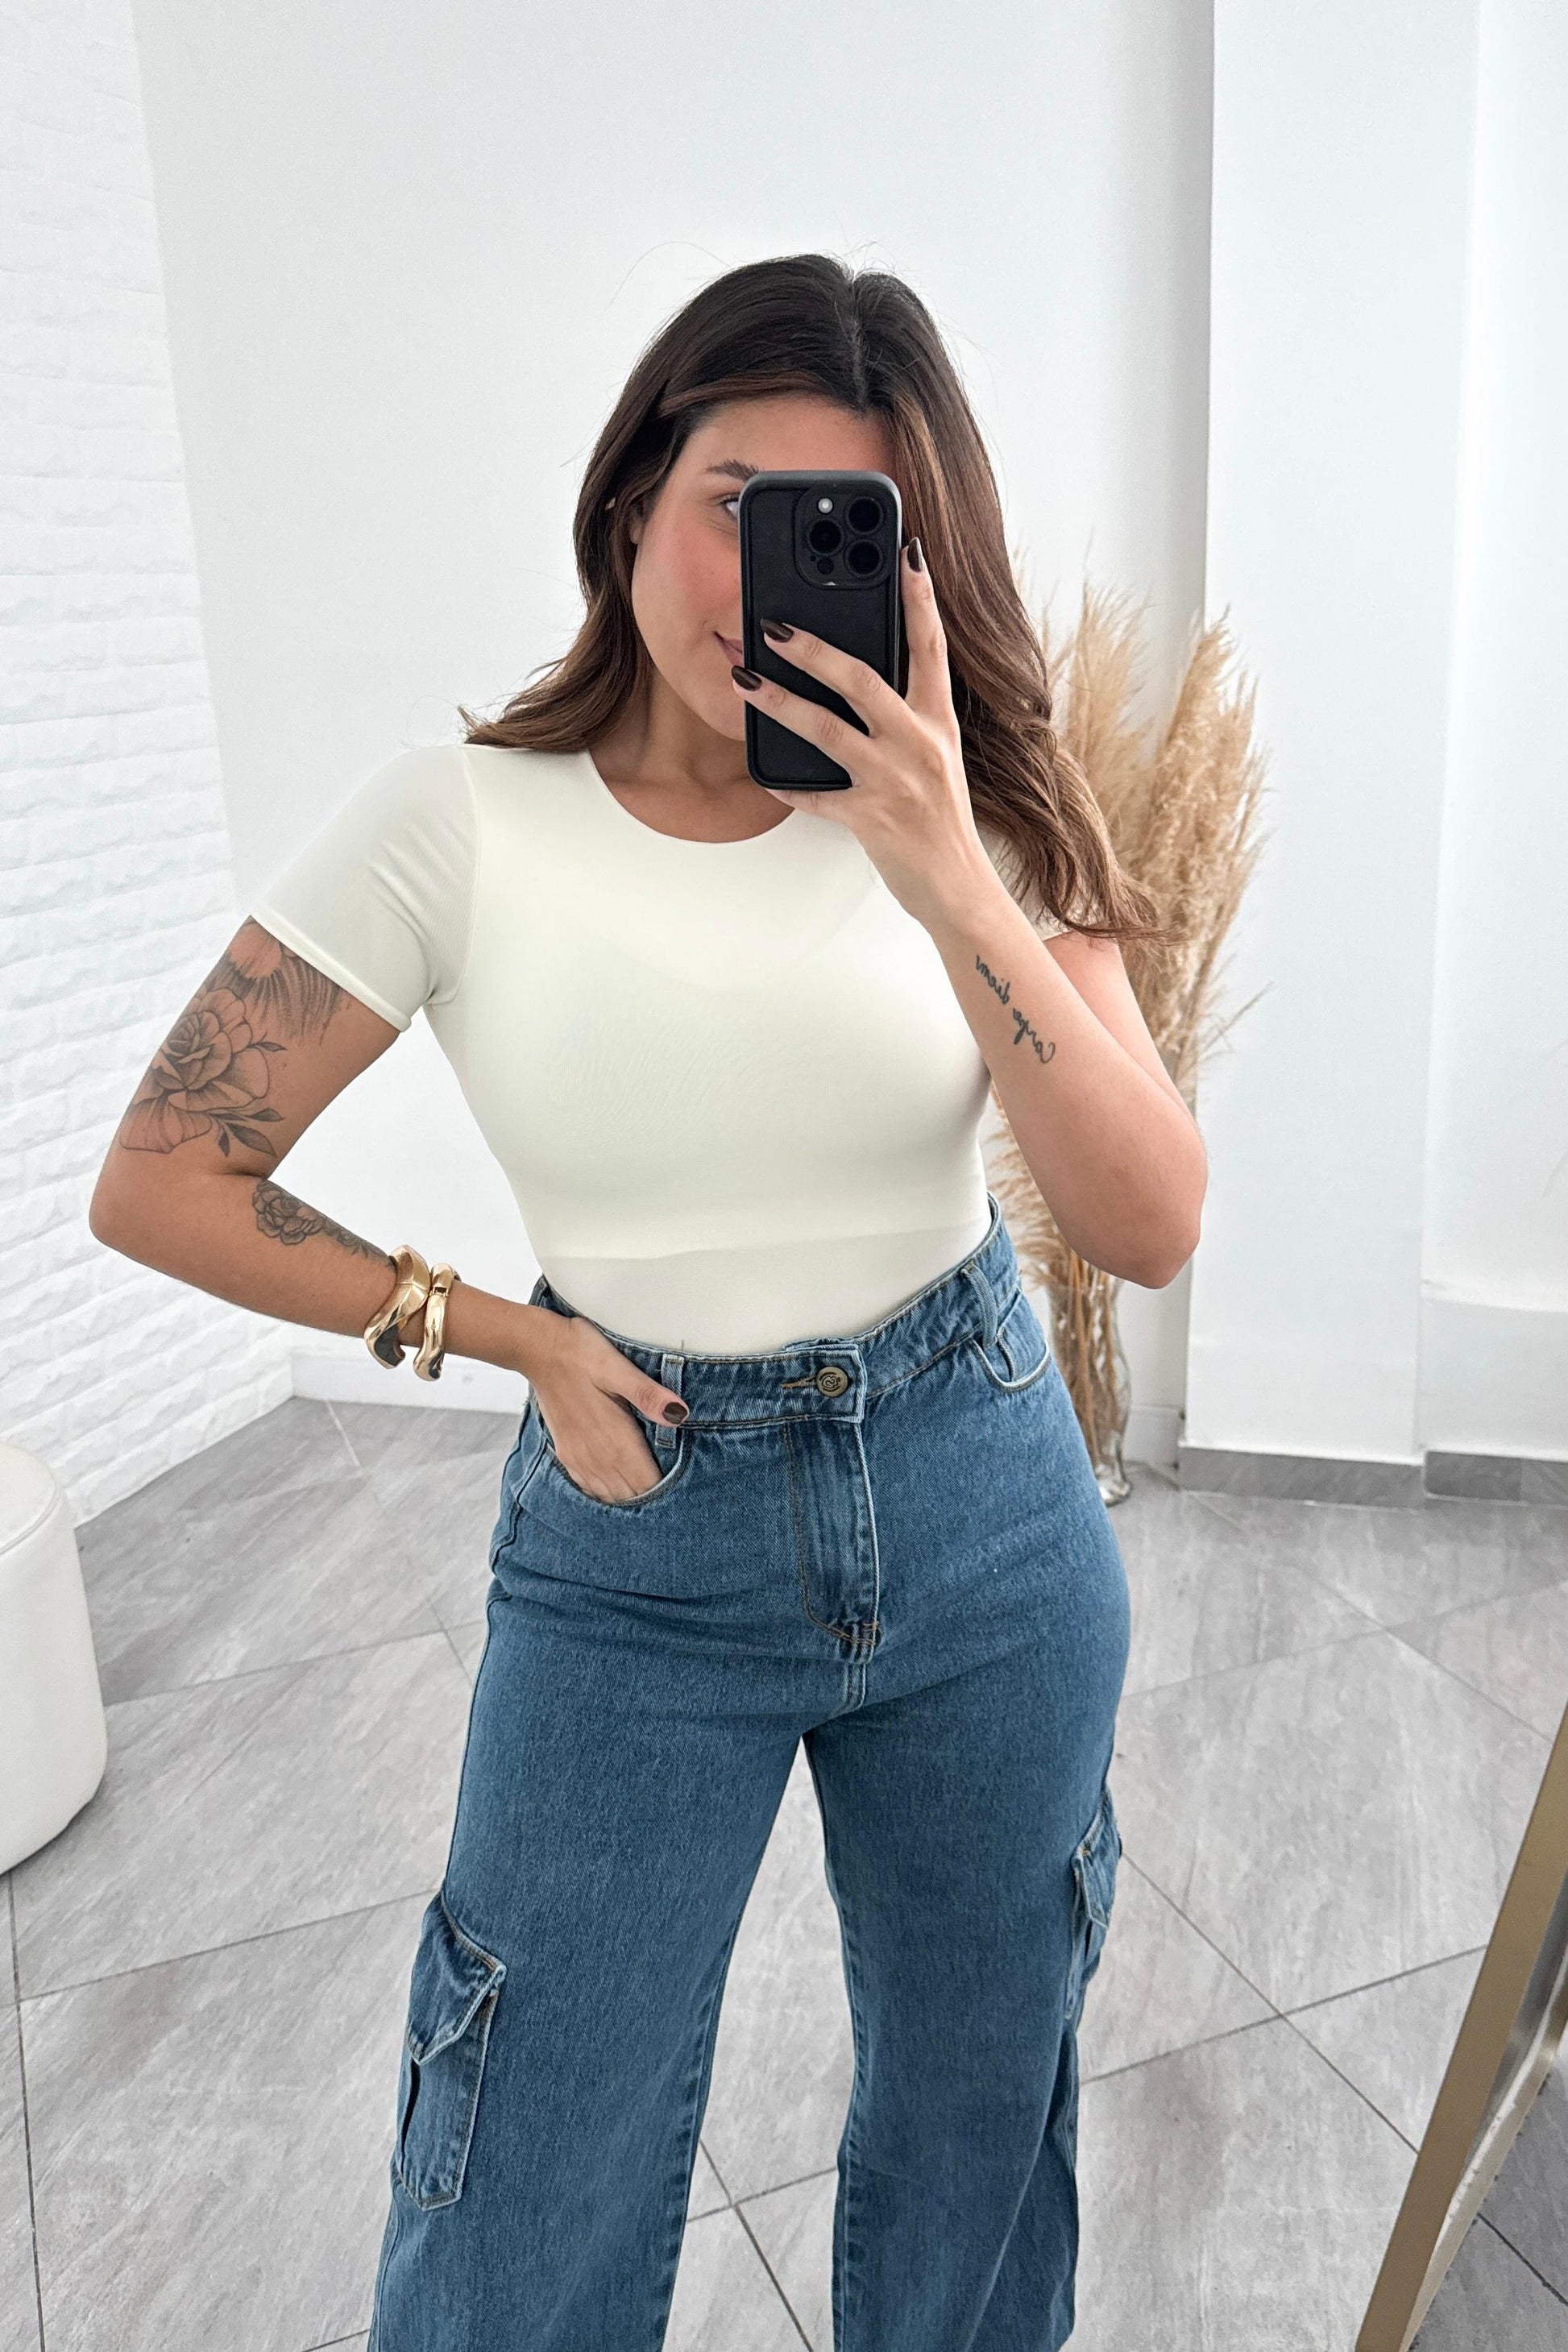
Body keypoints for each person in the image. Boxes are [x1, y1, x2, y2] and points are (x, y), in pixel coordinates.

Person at [89, 251, 1205, 2352]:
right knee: (524, 2158)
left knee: (980, 2120)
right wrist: (498, 1332)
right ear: (628, 504)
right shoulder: (455, 826)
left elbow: (1146, 1224)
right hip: (637, 1530)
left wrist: (940, 863)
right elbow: (162, 1176)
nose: (765, 574)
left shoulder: (982, 811)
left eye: (842, 524)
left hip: (981, 1495)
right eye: (734, 502)